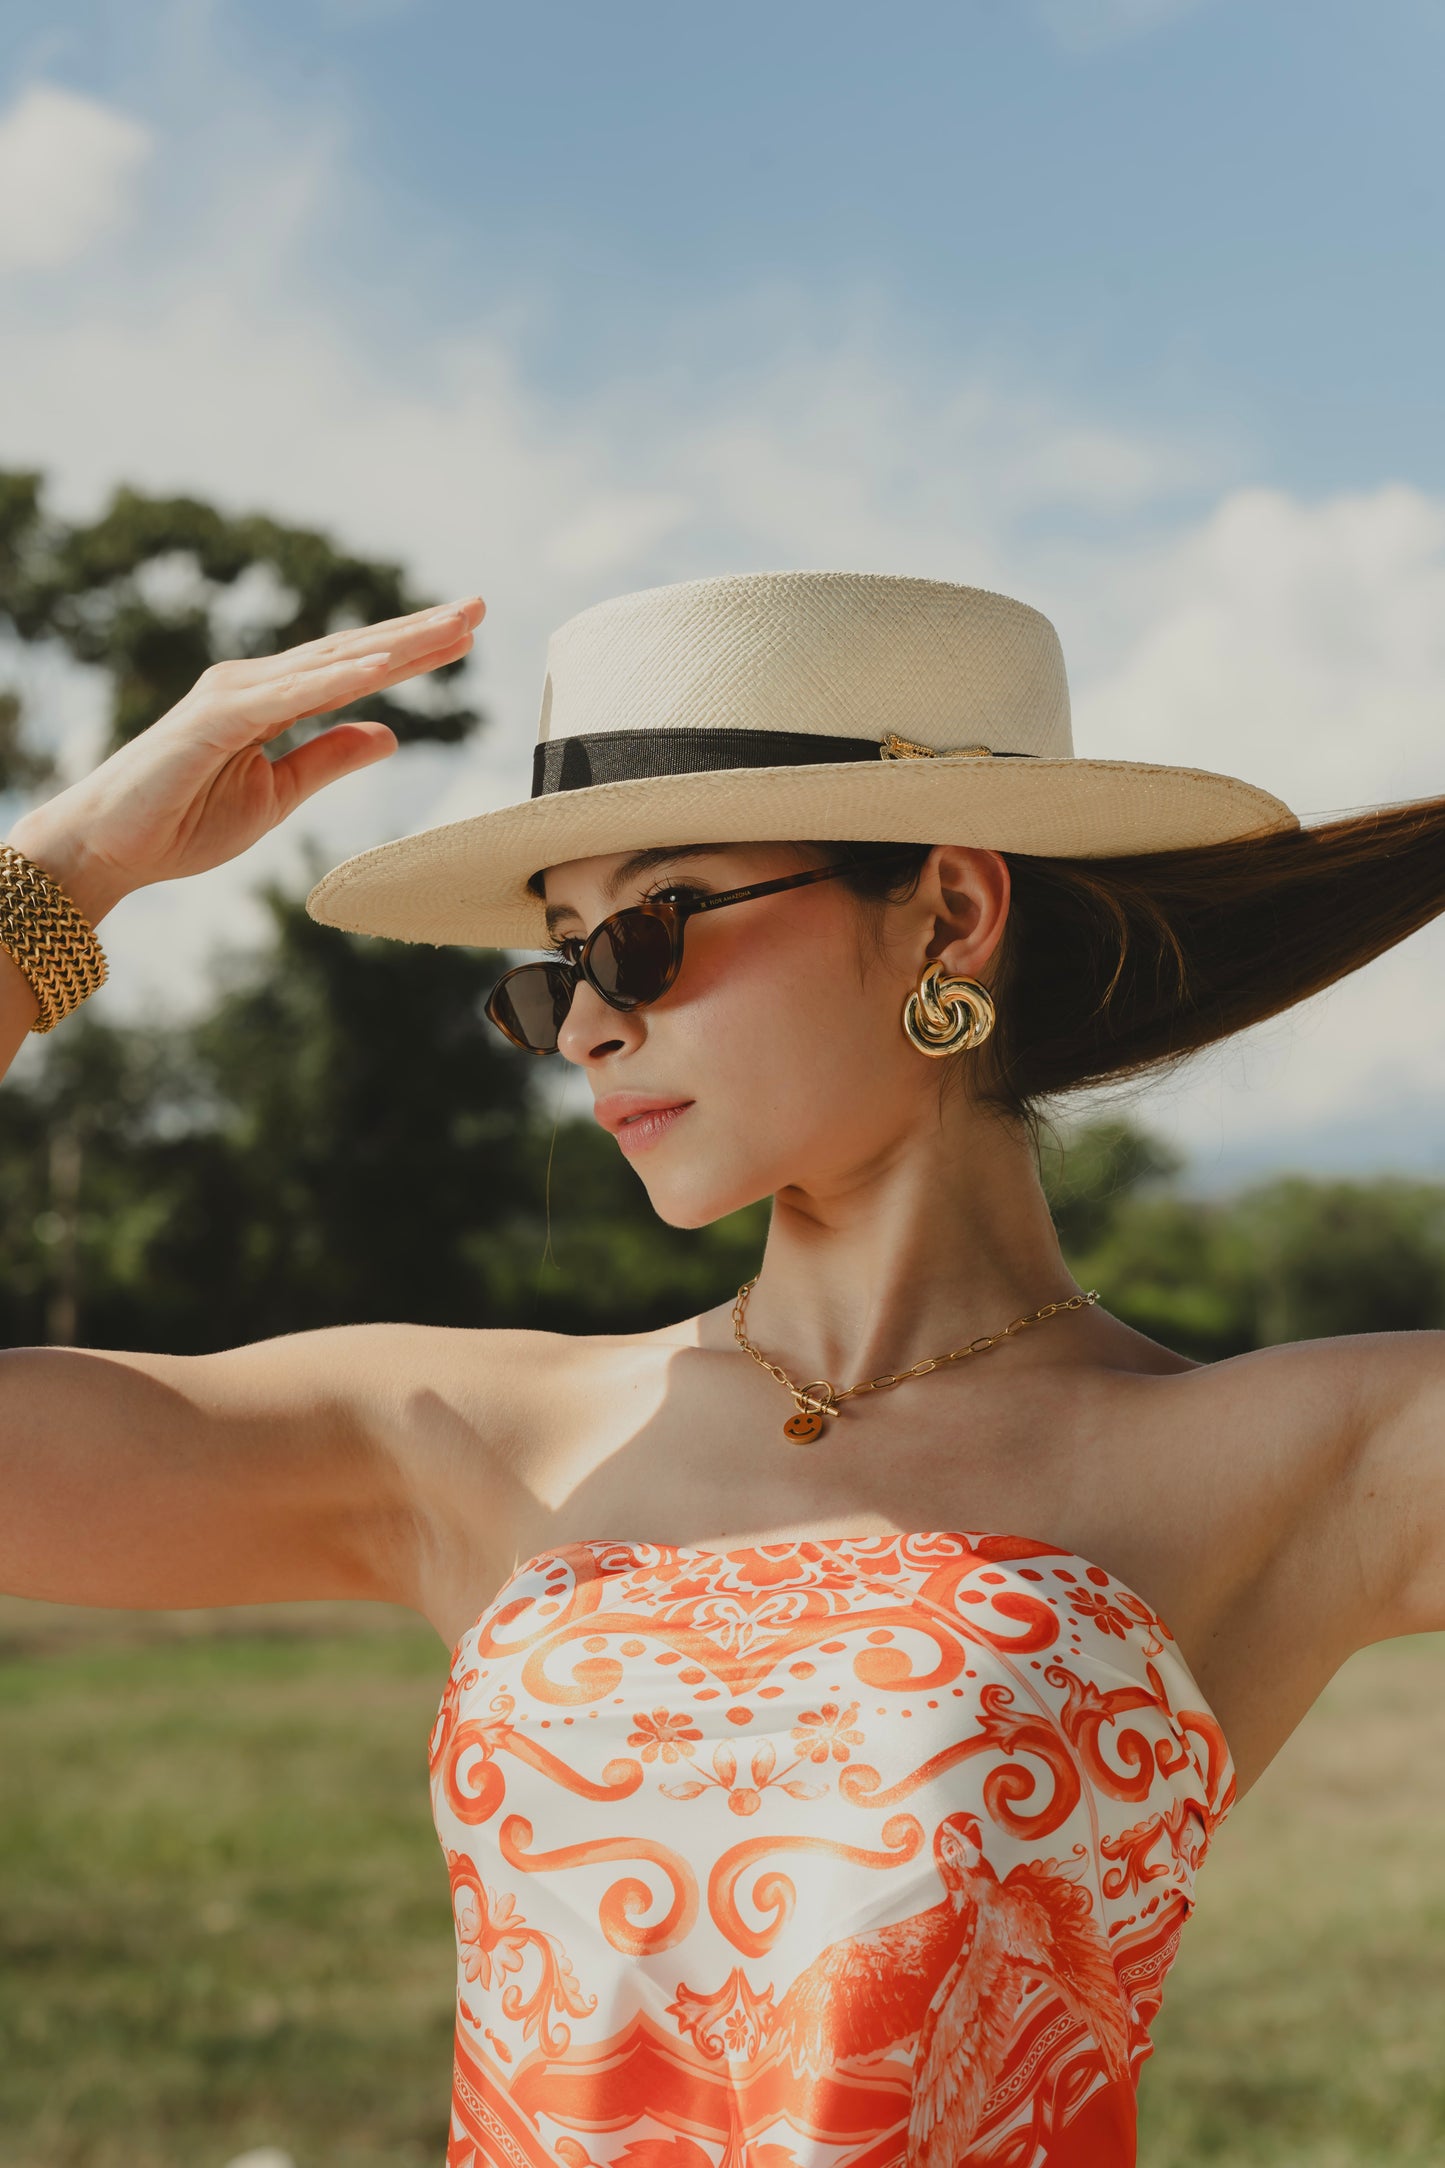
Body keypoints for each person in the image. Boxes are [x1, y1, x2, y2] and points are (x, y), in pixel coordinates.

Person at [2, 570, 1443, 2168]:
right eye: (555, 965)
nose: (584, 1029)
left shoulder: (1313, 1454)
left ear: (950, 911)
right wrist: (60, 875)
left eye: (643, 931)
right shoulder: (455, 1434)